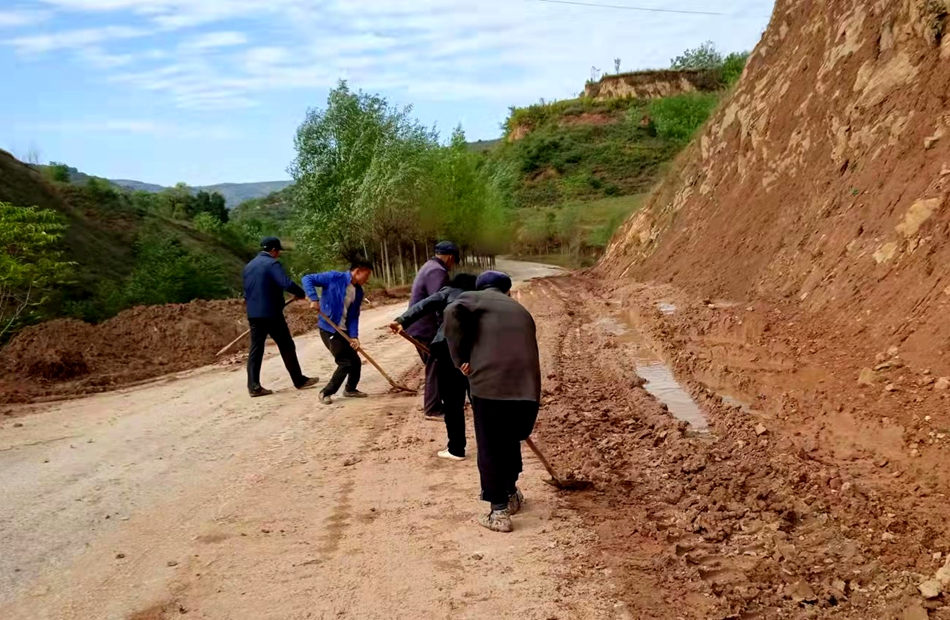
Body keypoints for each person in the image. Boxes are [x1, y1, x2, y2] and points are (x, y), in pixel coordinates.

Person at [443, 271, 541, 533]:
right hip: (527, 390)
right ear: (507, 291)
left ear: (482, 288)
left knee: (490, 446)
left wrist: (459, 357)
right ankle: (510, 494)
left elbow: (452, 310)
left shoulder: (474, 299)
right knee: (510, 441)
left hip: (489, 386)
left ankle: (498, 512)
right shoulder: (521, 310)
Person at [390, 273, 478, 461]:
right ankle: (492, 446)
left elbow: (424, 305)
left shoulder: (448, 292)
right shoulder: (480, 296)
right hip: (476, 350)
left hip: (448, 348)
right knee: (480, 399)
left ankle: (456, 449)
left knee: (453, 401)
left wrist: (402, 320)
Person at [242, 237, 320, 397]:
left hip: (254, 314)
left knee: (256, 349)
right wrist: (300, 293)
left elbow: (249, 291)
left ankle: (253, 386)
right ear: (273, 250)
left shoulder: (248, 266)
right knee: (286, 345)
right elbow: (285, 283)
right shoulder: (272, 264)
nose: (278, 255)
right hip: (271, 313)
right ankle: (299, 380)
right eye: (278, 251)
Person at [302, 259, 373, 405]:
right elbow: (307, 278)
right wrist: (314, 298)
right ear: (357, 271)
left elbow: (353, 316)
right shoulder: (334, 277)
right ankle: (326, 392)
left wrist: (354, 336)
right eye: (366, 275)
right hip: (329, 328)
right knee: (345, 363)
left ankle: (350, 389)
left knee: (355, 361)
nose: (367, 279)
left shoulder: (358, 291)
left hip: (344, 330)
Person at [407, 241, 460, 421]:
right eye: (454, 262)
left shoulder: (428, 266)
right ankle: (433, 408)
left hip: (419, 326)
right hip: (426, 328)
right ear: (451, 257)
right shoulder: (438, 271)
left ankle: (437, 402)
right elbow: (439, 303)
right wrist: (444, 331)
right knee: (436, 364)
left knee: (436, 365)